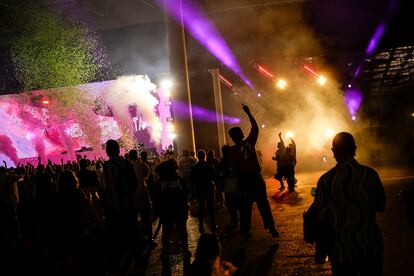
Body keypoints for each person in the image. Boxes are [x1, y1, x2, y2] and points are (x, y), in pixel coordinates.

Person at [308, 132, 386, 275]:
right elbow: (381, 206)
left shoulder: (326, 180)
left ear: (333, 151)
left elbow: (316, 216)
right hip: (370, 248)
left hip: (341, 252)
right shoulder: (370, 174)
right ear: (355, 149)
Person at [229, 104, 279, 243]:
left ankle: (245, 232)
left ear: (233, 138)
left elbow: (233, 169)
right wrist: (249, 113)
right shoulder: (249, 143)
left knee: (245, 208)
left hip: (244, 181)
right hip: (256, 179)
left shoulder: (233, 151)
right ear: (242, 135)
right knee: (263, 204)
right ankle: (271, 227)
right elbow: (255, 128)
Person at [102, 140, 138, 271]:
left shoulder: (108, 165)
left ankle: (122, 262)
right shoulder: (127, 163)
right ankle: (135, 256)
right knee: (131, 228)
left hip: (116, 204)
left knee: (118, 232)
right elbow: (134, 183)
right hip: (129, 201)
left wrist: (113, 203)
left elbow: (109, 187)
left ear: (108, 151)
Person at [154, 159, 190, 261]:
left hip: (166, 210)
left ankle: (165, 252)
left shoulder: (159, 182)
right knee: (182, 229)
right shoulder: (179, 180)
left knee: (166, 231)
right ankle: (185, 250)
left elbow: (156, 196)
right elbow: (186, 193)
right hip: (180, 209)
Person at [191, 149, 217, 233]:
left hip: (199, 188)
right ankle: (213, 225)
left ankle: (201, 226)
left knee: (201, 207)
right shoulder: (209, 165)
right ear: (204, 156)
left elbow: (192, 180)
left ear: (198, 157)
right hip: (208, 187)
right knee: (210, 207)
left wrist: (193, 191)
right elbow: (214, 176)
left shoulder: (194, 167)